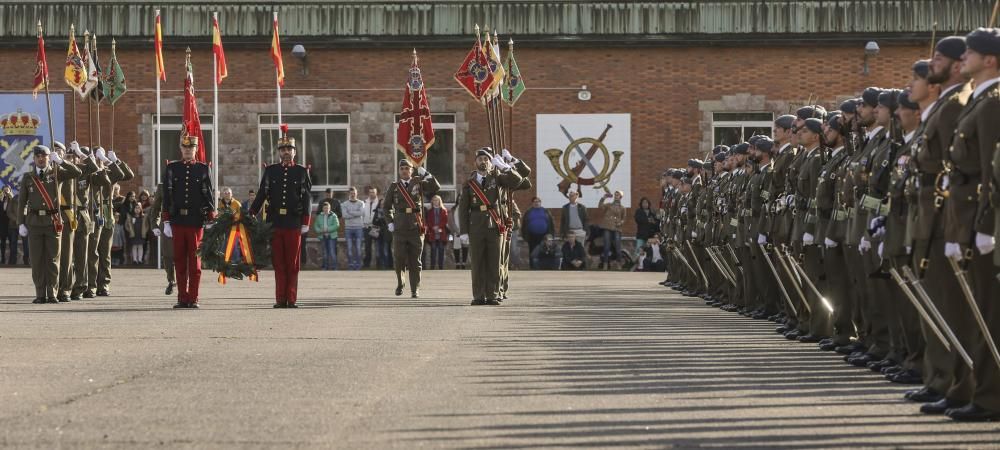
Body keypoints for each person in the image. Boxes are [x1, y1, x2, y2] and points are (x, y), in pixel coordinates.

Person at [249, 127, 312, 308]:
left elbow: (306, 198)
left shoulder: (301, 172)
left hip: (293, 223)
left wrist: (305, 222)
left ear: (294, 152)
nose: (286, 153)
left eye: (289, 150)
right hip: (275, 223)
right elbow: (262, 194)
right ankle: (280, 299)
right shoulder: (271, 171)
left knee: (292, 263)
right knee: (278, 263)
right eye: (283, 150)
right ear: (279, 152)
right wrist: (251, 212)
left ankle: (291, 299)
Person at [16, 145, 83, 303]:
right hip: (34, 223)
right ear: (34, 159)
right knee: (37, 260)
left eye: (44, 156)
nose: (41, 158)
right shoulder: (28, 177)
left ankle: (52, 293)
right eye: (38, 156)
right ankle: (40, 294)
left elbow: (77, 172)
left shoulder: (56, 173)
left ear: (48, 158)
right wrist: (21, 223)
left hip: (53, 222)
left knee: (53, 260)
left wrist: (60, 162)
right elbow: (21, 203)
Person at [459, 147, 522, 305]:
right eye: (480, 159)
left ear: (490, 162)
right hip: (476, 225)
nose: (483, 162)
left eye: (486, 159)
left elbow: (517, 181)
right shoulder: (469, 183)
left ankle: (493, 294)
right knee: (478, 262)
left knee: (494, 261)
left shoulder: (498, 178)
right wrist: (464, 231)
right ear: (475, 162)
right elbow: (463, 209)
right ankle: (478, 295)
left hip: (495, 225)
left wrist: (504, 167)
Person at [161, 134, 216, 308]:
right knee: (179, 261)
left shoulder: (203, 169)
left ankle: (193, 297)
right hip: (177, 220)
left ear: (196, 149)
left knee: (195, 263)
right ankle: (182, 297)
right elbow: (167, 196)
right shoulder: (172, 168)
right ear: (181, 149)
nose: (187, 151)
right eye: (185, 148)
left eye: (190, 148)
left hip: (195, 221)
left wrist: (211, 217)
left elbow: (208, 194)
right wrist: (167, 220)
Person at [384, 159, 440, 297]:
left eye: (407, 168)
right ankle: (400, 283)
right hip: (399, 227)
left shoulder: (418, 182)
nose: (404, 170)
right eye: (402, 168)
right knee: (399, 258)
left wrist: (424, 172)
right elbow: (386, 207)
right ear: (399, 171)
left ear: (411, 170)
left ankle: (415, 289)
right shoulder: (394, 186)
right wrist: (390, 222)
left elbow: (436, 187)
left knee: (416, 260)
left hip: (416, 226)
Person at [88, 147, 134, 297]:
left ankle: (104, 283)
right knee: (92, 251)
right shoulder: (90, 173)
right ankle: (91, 284)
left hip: (107, 211)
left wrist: (113, 160)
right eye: (97, 157)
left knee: (105, 251)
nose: (99, 161)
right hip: (93, 211)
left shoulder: (110, 171)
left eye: (100, 157)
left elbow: (128, 175)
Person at [150, 185, 176, 295]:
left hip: (183, 222)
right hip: (166, 223)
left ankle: (184, 279)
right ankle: (171, 280)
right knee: (167, 255)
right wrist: (154, 225)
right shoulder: (162, 187)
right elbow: (156, 208)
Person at [521, 196, 554, 268]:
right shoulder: (528, 212)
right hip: (532, 236)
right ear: (532, 203)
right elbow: (524, 225)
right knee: (533, 252)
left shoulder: (546, 211)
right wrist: (524, 236)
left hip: (544, 236)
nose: (537, 203)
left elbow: (551, 223)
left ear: (540, 203)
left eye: (538, 201)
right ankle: (533, 267)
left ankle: (543, 267)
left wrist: (551, 235)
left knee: (544, 251)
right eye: (535, 202)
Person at [598, 190, 626, 270]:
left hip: (617, 228)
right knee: (606, 246)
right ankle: (605, 263)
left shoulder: (622, 208)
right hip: (607, 226)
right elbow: (600, 206)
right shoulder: (609, 205)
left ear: (620, 197)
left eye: (618, 195)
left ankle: (618, 263)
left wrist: (620, 223)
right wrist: (604, 198)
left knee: (617, 246)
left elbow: (623, 219)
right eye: (615, 194)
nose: (616, 196)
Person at [342, 186, 365, 271]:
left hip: (359, 228)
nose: (353, 195)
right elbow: (344, 215)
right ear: (349, 194)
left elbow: (362, 212)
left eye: (354, 193)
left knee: (358, 248)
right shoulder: (344, 204)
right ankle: (351, 265)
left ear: (356, 193)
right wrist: (356, 213)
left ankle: (358, 265)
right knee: (350, 248)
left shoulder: (361, 203)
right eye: (351, 193)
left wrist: (350, 212)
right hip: (348, 228)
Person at [362, 186, 385, 269]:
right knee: (367, 247)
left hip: (376, 227)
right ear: (368, 193)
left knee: (378, 247)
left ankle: (379, 265)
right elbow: (362, 214)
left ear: (376, 193)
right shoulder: (364, 202)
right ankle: (366, 265)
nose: (372, 194)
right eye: (370, 192)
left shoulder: (379, 202)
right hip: (366, 227)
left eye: (373, 192)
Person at [424, 194, 449, 270]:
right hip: (432, 233)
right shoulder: (429, 211)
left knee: (441, 249)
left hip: (441, 232)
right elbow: (428, 221)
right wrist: (433, 227)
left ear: (439, 201)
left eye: (437, 200)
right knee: (433, 249)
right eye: (434, 200)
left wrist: (439, 226)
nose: (436, 202)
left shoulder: (444, 210)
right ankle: (432, 266)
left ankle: (441, 266)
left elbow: (445, 220)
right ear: (432, 202)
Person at [313, 202, 340, 270]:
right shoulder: (319, 216)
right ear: (322, 208)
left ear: (329, 208)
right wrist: (320, 230)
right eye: (325, 208)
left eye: (327, 208)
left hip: (332, 237)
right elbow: (315, 226)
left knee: (332, 252)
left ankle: (335, 267)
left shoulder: (333, 215)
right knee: (325, 252)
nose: (326, 209)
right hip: (323, 236)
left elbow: (337, 225)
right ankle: (325, 267)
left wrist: (328, 229)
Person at [449, 198, 468, 269]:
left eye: (462, 198)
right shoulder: (453, 209)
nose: (460, 200)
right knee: (456, 247)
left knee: (465, 247)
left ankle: (463, 263)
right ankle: (457, 263)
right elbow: (451, 220)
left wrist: (465, 230)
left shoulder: (467, 208)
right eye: (459, 199)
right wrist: (456, 230)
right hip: (456, 231)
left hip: (464, 231)